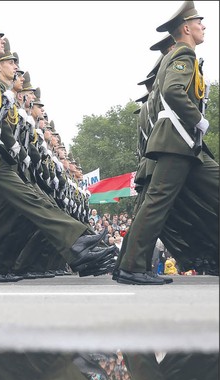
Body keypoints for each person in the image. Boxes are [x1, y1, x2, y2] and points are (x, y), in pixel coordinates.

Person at [0, 12, 116, 287]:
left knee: (31, 199)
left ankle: (77, 240)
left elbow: (0, 119)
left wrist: (8, 141)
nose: (1, 40)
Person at [116, 0, 219, 285]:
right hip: (178, 142)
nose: (204, 26)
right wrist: (197, 118)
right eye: (199, 22)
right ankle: (132, 267)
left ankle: (130, 266)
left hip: (185, 146)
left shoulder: (179, 55)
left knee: (158, 203)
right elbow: (174, 91)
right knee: (156, 204)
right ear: (186, 28)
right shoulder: (183, 54)